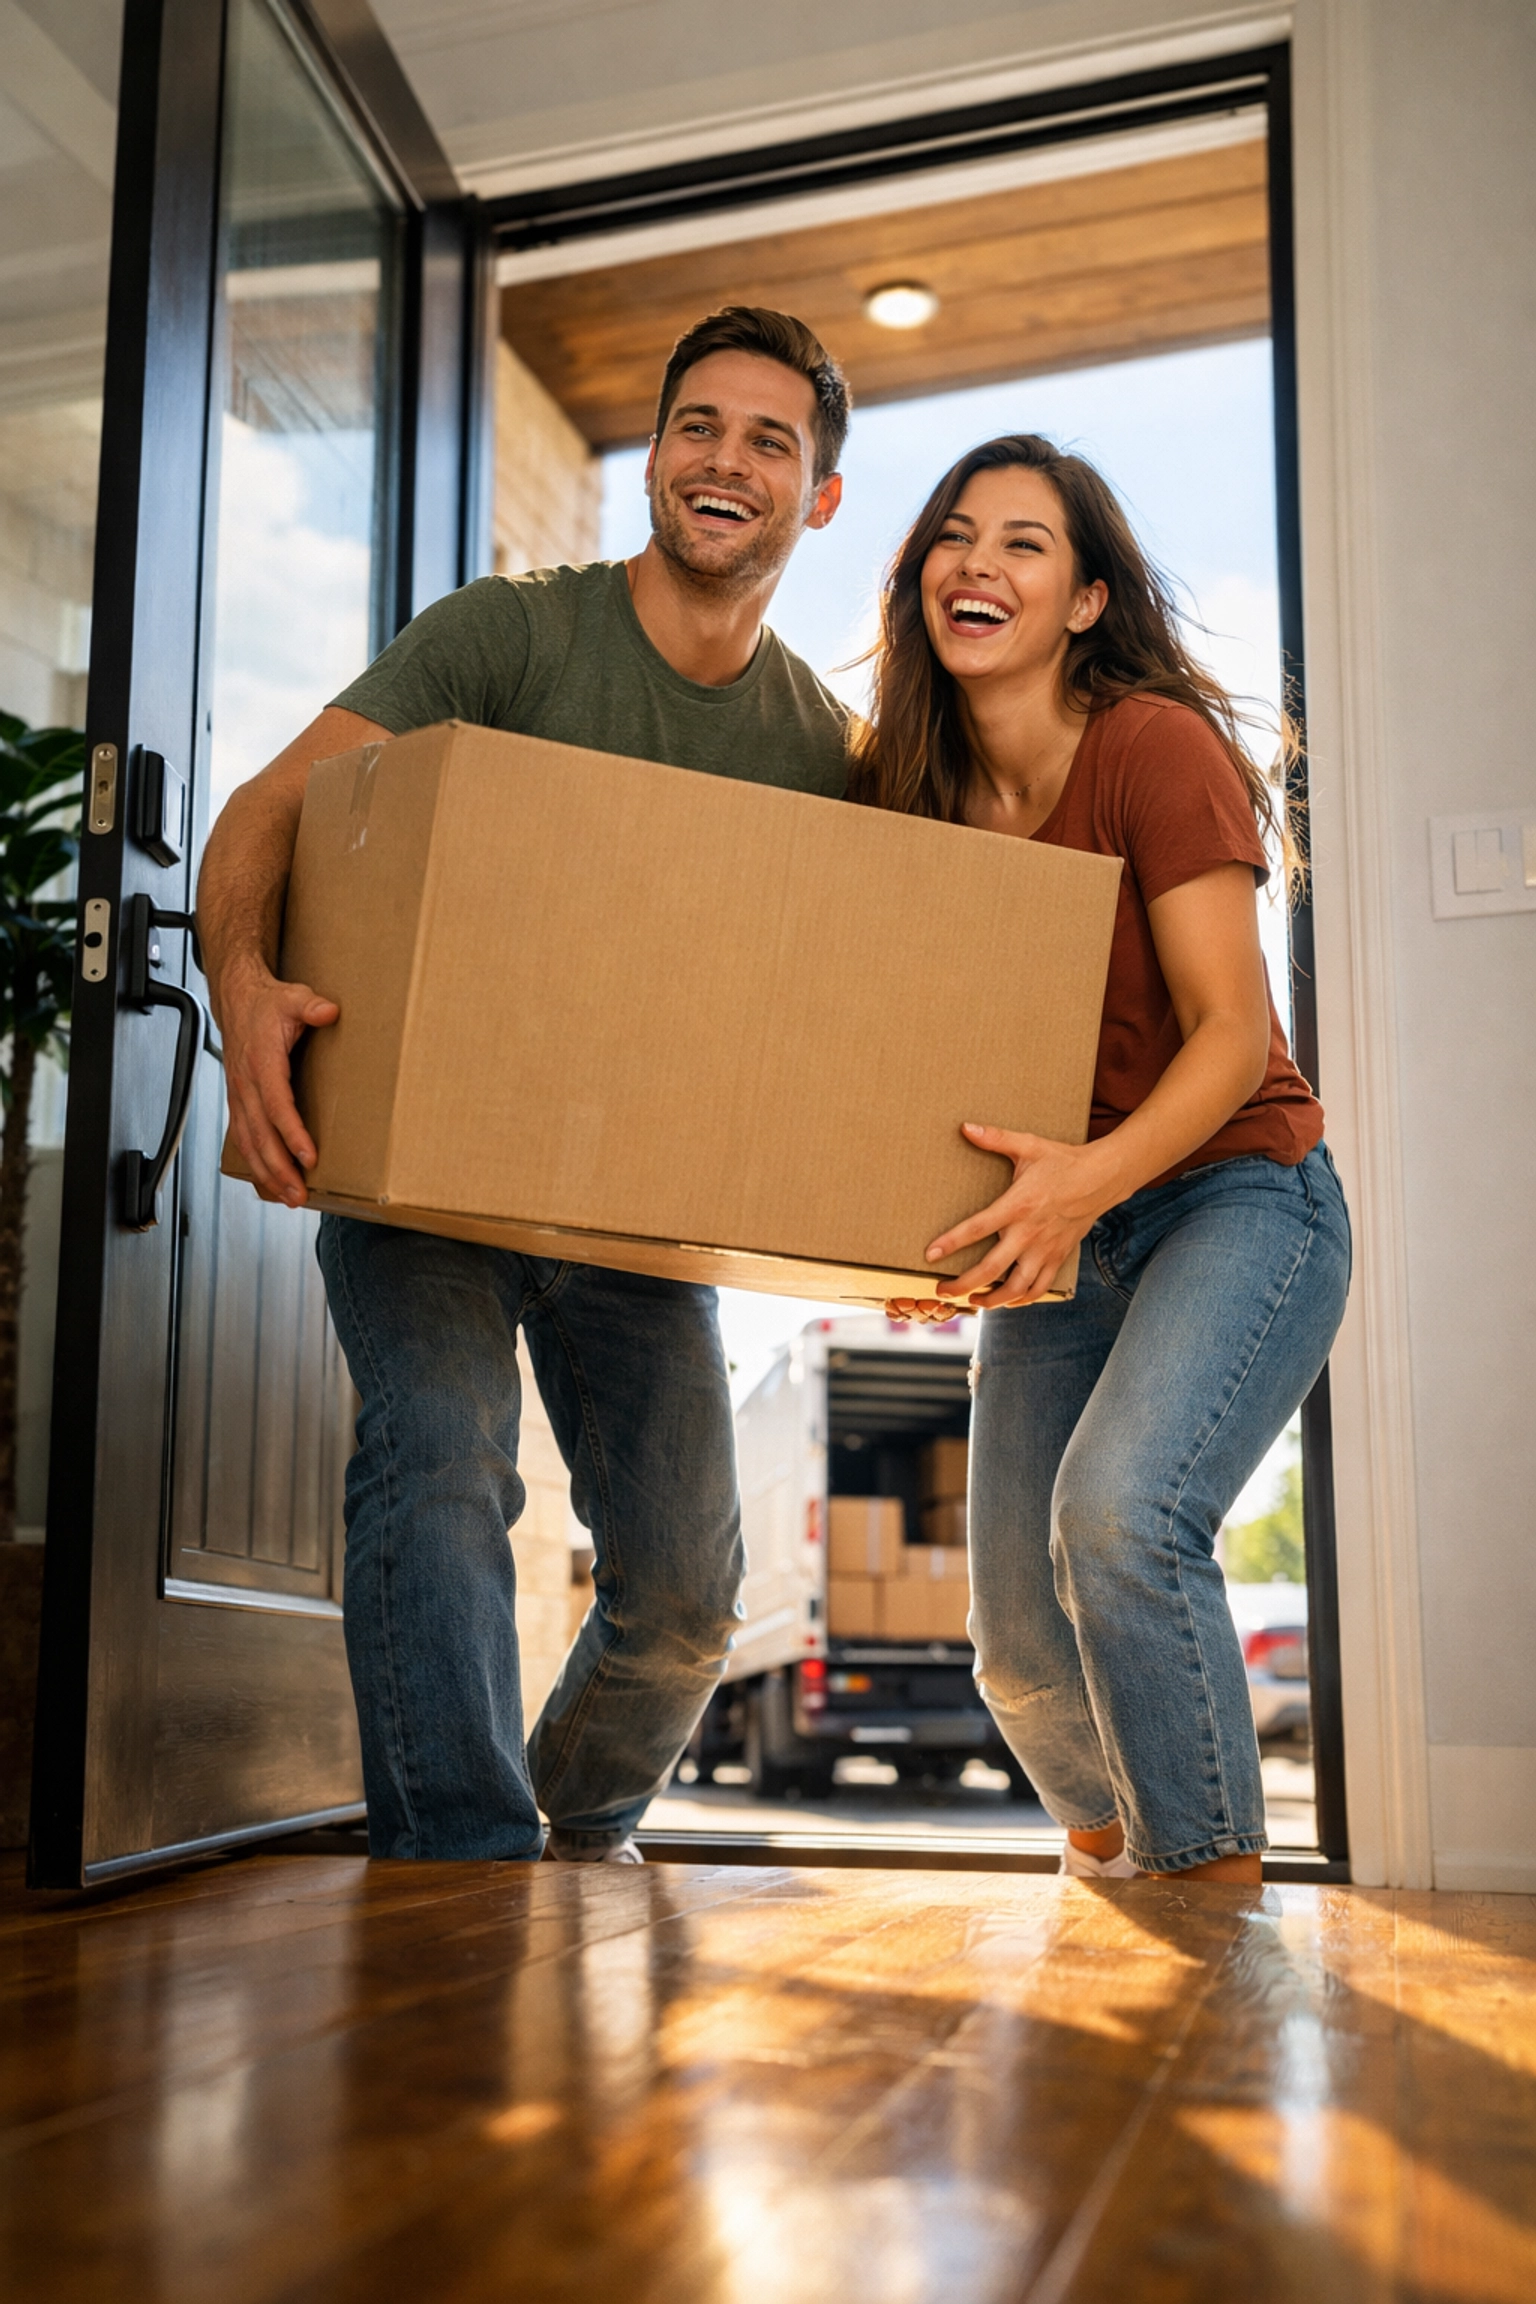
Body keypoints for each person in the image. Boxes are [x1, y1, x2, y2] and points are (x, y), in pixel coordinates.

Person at [198, 307, 851, 1862]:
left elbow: (853, 996)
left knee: (691, 1595)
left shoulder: (819, 743)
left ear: (818, 499)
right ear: (653, 455)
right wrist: (242, 988)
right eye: (700, 425)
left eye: (771, 441)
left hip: (634, 1211)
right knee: (441, 1459)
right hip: (427, 1164)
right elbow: (263, 812)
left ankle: (573, 1828)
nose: (725, 461)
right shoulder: (513, 634)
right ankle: (461, 1871)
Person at [858, 434, 1350, 1884]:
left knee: (1122, 1516)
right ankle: (1119, 1870)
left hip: (1236, 1195)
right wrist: (911, 1244)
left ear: (1083, 601)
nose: (978, 564)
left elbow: (1225, 1038)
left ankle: (1211, 1907)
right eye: (956, 535)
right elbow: (913, 1074)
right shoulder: (915, 798)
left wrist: (1081, 1181)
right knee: (1015, 1646)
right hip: (1062, 1231)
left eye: (1023, 542)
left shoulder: (1151, 746)